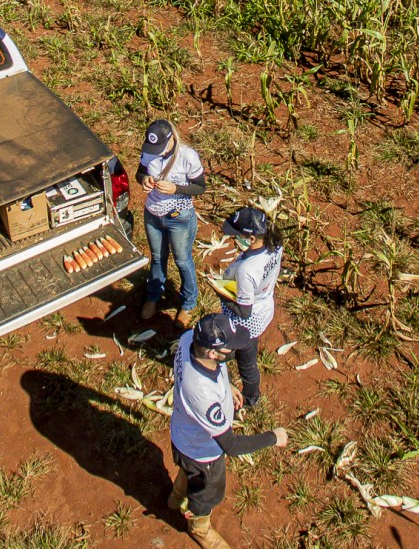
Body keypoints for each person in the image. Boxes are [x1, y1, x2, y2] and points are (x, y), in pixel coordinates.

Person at [168, 313, 287, 548]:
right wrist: (273, 437)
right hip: (203, 453)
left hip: (182, 435)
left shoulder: (188, 340)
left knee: (188, 471)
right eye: (228, 348)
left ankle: (175, 497)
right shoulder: (203, 394)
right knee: (206, 493)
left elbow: (214, 369)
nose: (232, 352)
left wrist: (227, 385)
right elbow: (231, 446)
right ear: (213, 353)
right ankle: (199, 528)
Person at [138, 118, 206, 326]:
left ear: (171, 140)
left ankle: (188, 303)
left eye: (160, 147)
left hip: (179, 217)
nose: (156, 152)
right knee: (158, 257)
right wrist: (144, 180)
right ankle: (153, 295)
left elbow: (200, 187)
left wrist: (176, 189)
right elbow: (139, 172)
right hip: (153, 213)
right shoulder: (150, 152)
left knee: (182, 260)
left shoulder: (187, 156)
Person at [217, 206, 283, 410]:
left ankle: (251, 398)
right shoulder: (275, 244)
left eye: (237, 235)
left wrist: (220, 292)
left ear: (252, 238)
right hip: (264, 306)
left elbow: (244, 311)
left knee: (247, 362)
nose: (233, 239)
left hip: (246, 322)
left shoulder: (247, 271)